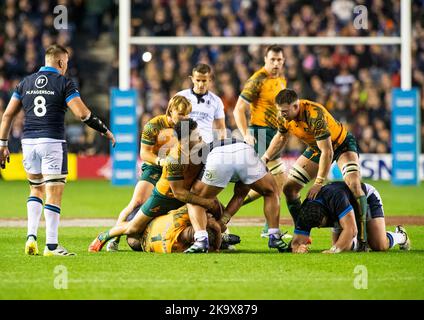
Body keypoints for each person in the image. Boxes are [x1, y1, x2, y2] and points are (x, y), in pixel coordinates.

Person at [0, 44, 116, 256]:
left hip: (29, 143)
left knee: (35, 189)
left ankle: (31, 236)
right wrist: (104, 129)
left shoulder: (25, 82)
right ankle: (51, 246)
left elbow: (7, 115)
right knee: (54, 193)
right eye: (66, 63)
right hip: (52, 142)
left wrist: (3, 144)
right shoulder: (64, 83)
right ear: (61, 62)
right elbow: (82, 113)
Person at [88, 119, 222, 252]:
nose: (201, 138)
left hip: (184, 194)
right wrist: (205, 202)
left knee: (216, 206)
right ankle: (104, 236)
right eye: (197, 136)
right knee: (134, 228)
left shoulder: (200, 148)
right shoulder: (174, 160)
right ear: (186, 141)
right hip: (164, 197)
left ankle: (222, 236)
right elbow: (178, 193)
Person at [263, 88, 369, 250]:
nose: (282, 114)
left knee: (354, 184)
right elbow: (281, 137)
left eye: (285, 111)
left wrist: (319, 182)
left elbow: (328, 151)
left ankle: (363, 237)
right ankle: (302, 231)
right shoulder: (282, 115)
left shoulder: (314, 115)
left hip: (341, 145)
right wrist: (265, 158)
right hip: (316, 148)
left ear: (296, 106)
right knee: (289, 188)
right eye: (280, 111)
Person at [105, 95, 192, 252]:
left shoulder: (186, 128)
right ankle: (114, 238)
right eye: (181, 114)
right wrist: (160, 161)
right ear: (171, 110)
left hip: (174, 171)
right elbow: (144, 153)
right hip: (155, 167)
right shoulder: (154, 125)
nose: (184, 118)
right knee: (137, 202)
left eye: (187, 115)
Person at [182, 138, 289, 253]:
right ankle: (274, 236)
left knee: (195, 199)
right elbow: (239, 196)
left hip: (219, 156)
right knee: (271, 192)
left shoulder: (200, 153)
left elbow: (186, 188)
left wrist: (219, 221)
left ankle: (201, 240)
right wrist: (222, 221)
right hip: (245, 153)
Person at [232, 45, 287, 236]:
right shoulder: (257, 79)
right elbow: (238, 108)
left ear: (283, 61)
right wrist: (246, 134)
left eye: (279, 60)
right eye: (272, 59)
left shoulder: (280, 80)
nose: (276, 63)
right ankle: (269, 228)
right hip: (260, 132)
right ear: (265, 59)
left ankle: (230, 207)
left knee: (271, 183)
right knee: (279, 178)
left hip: (274, 133)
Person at [289, 181, 411, 253]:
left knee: (379, 245)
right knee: (344, 246)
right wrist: (298, 248)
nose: (320, 227)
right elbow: (296, 243)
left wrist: (334, 250)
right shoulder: (305, 212)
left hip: (365, 199)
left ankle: (401, 236)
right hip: (342, 212)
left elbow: (352, 230)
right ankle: (362, 242)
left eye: (322, 224)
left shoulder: (337, 197)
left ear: (326, 214)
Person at [125, 205, 223, 253]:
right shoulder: (174, 248)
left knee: (132, 241)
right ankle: (223, 239)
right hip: (146, 240)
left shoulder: (178, 218)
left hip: (145, 232)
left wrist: (216, 228)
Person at [176, 63, 226, 143]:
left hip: (207, 147)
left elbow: (221, 128)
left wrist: (222, 148)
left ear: (209, 79)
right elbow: (170, 120)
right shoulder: (180, 97)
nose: (200, 84)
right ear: (192, 79)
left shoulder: (216, 101)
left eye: (204, 81)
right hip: (183, 146)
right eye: (198, 80)